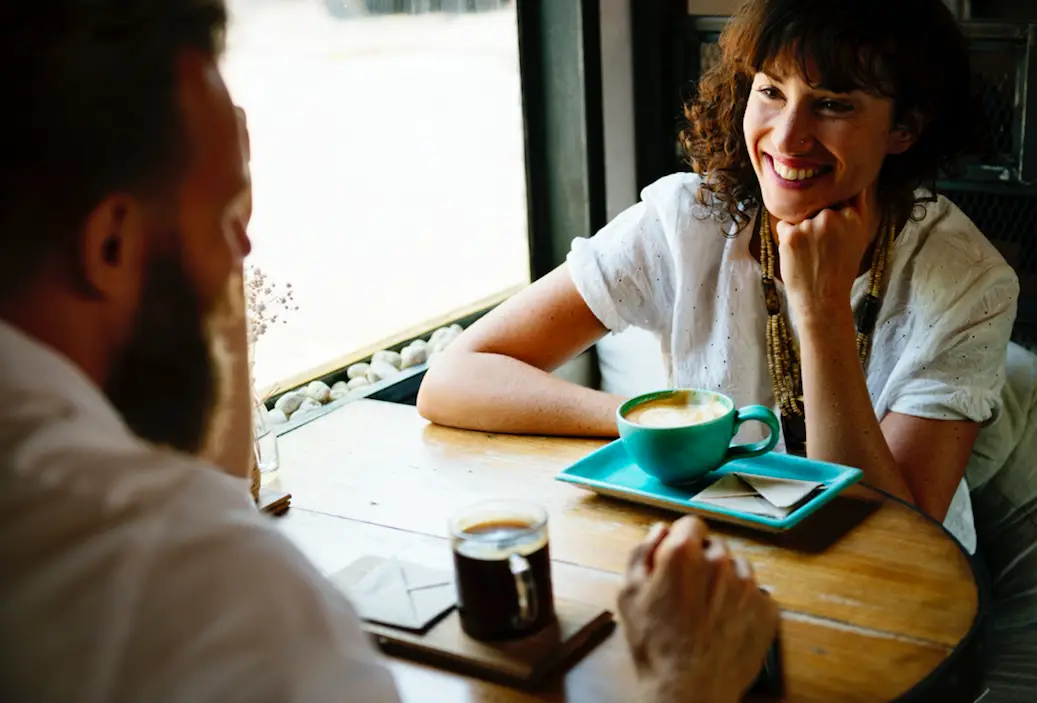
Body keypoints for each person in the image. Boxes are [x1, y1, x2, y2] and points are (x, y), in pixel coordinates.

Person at [0, 1, 777, 701]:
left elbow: (196, 492)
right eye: (227, 219)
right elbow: (192, 519)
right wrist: (685, 684)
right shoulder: (217, 590)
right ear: (108, 245)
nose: (245, 253)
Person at [417, 0, 1020, 552]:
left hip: (903, 592)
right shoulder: (688, 220)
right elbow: (452, 379)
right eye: (772, 91)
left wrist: (821, 308)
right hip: (717, 552)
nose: (787, 138)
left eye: (833, 103)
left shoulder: (970, 281)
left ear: (904, 128)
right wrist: (662, 425)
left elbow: (894, 539)